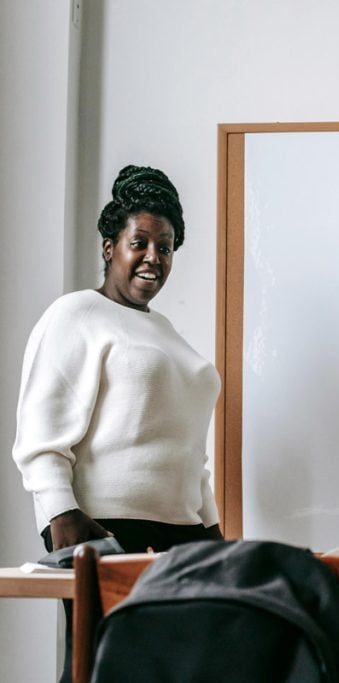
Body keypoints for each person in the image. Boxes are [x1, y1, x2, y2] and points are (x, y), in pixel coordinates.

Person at [12, 164, 223, 681]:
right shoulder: (76, 314)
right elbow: (40, 434)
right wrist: (60, 515)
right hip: (109, 530)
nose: (155, 257)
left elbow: (191, 453)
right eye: (140, 241)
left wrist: (215, 531)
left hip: (187, 535)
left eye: (167, 246)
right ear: (111, 247)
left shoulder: (168, 333)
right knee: (107, 671)